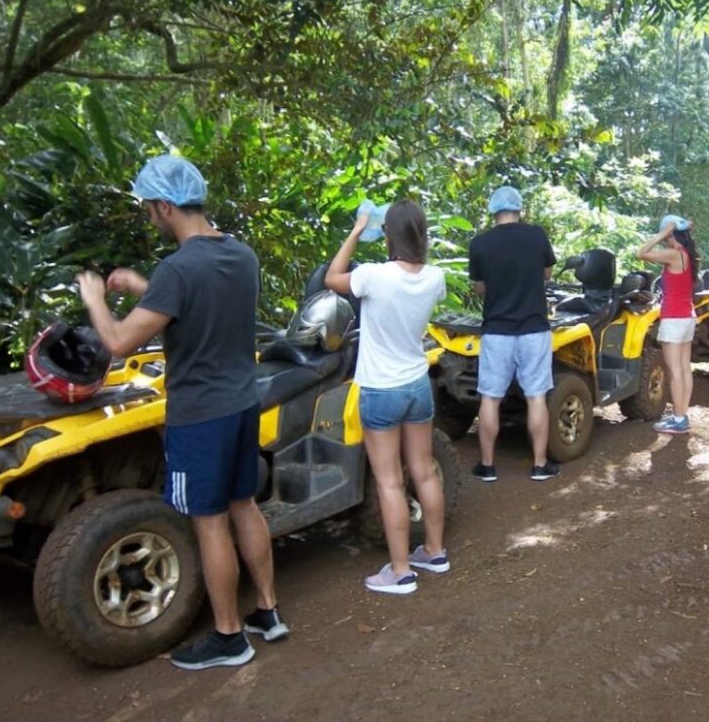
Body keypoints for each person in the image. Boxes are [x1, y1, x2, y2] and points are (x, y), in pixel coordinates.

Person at [75, 155, 286, 671]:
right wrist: (147, 288)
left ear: (166, 206)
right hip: (241, 404)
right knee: (244, 506)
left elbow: (121, 342)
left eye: (150, 207)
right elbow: (203, 302)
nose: (149, 216)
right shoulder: (241, 256)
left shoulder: (177, 269)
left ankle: (229, 637)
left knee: (209, 522)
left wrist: (94, 299)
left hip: (200, 415)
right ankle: (267, 611)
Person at [325, 200, 448, 595]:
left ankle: (399, 572)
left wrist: (358, 230)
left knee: (390, 482)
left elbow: (332, 277)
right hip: (416, 384)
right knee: (425, 470)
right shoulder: (435, 277)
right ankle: (434, 551)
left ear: (389, 234)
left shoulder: (374, 276)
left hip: (381, 389)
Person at [468, 185, 559, 482]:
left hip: (497, 331)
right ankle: (539, 464)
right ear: (520, 209)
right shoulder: (536, 236)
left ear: (493, 211)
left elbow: (479, 287)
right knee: (536, 397)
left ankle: (488, 466)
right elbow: (546, 274)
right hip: (534, 328)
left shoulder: (480, 243)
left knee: (490, 399)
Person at [636, 214, 698, 434]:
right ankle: (681, 415)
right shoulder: (687, 254)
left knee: (675, 372)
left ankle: (679, 418)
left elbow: (641, 253)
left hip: (674, 318)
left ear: (670, 233)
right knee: (684, 369)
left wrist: (663, 233)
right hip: (687, 316)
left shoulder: (673, 254)